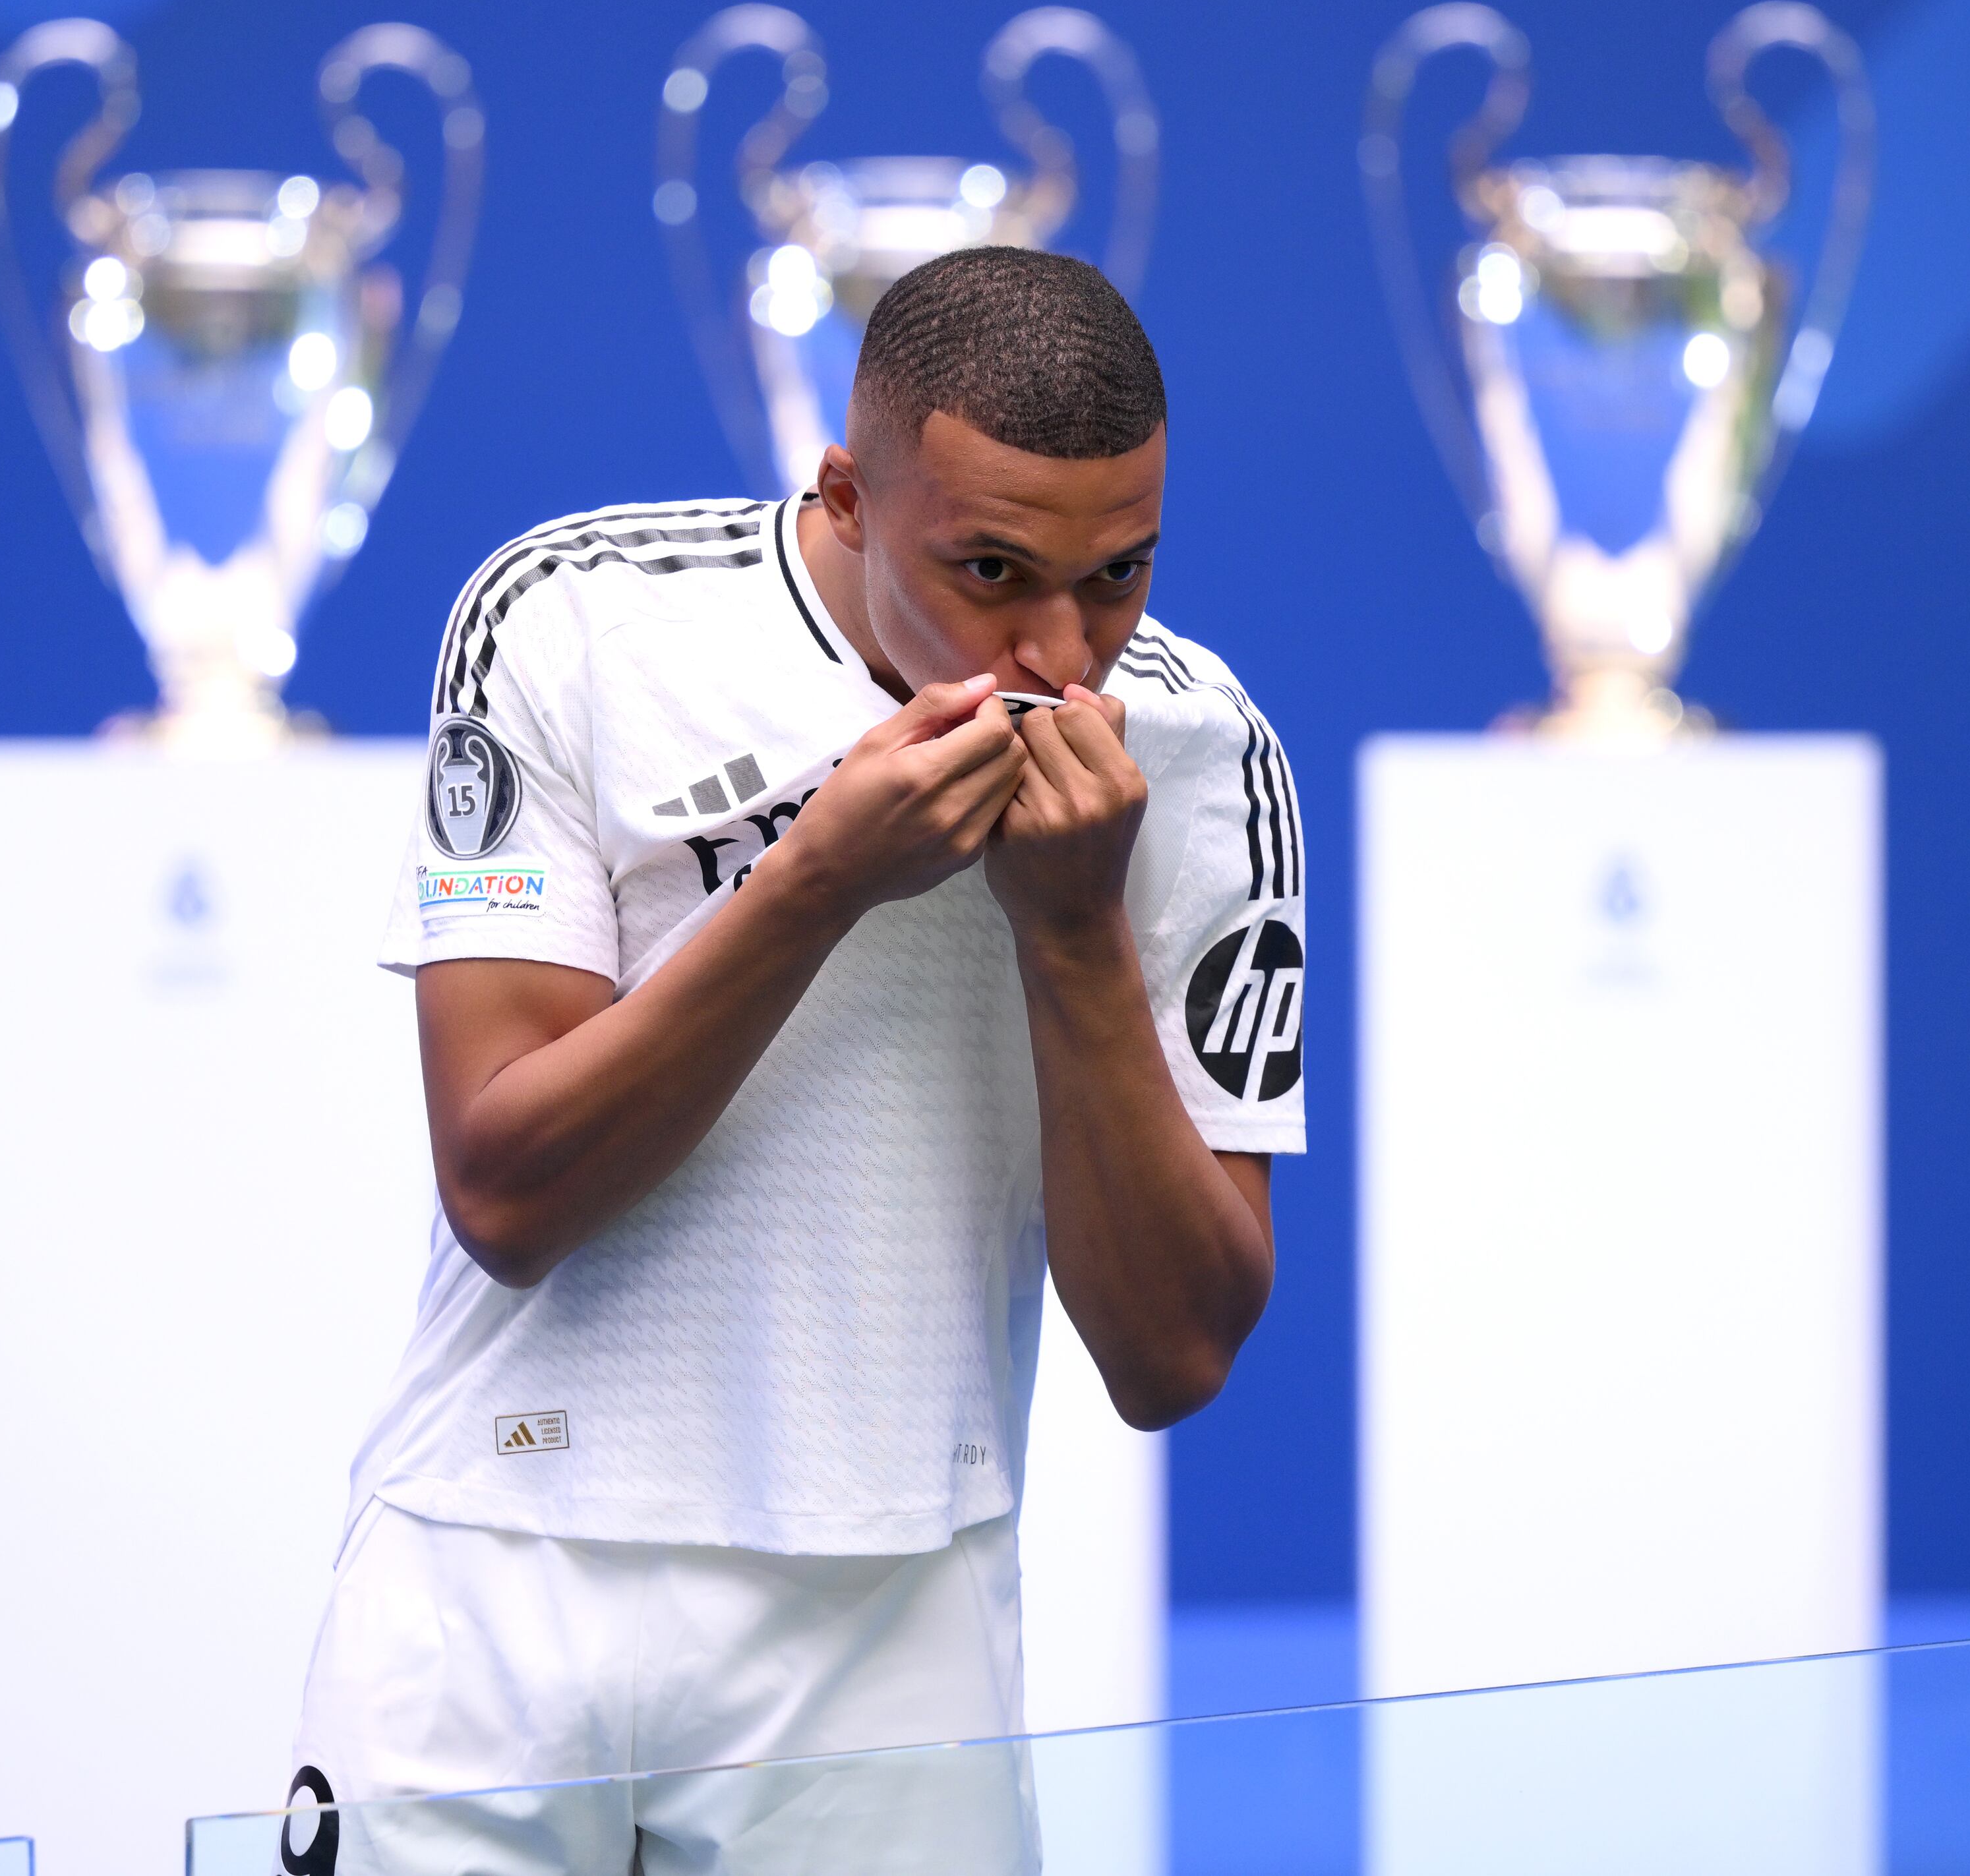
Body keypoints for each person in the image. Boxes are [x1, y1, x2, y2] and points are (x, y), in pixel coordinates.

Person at [284, 246, 1303, 1873]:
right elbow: (505, 1191)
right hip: (491, 1566)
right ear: (844, 495)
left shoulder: (1204, 747)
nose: (1061, 653)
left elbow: (1173, 1355)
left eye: (1118, 575)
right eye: (990, 568)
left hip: (894, 1613)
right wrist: (817, 877)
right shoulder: (573, 613)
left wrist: (1070, 932)